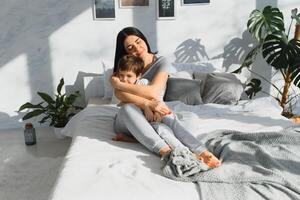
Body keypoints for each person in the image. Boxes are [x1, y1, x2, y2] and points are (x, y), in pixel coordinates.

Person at [111, 27, 220, 168]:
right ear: (126, 51)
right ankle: (167, 152)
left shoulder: (162, 62)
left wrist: (119, 84)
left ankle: (202, 151)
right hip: (130, 118)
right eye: (130, 47)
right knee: (127, 109)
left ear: (144, 39)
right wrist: (145, 104)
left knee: (186, 119)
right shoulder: (124, 66)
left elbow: (154, 92)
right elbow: (119, 94)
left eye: (138, 42)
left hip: (154, 113)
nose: (137, 48)